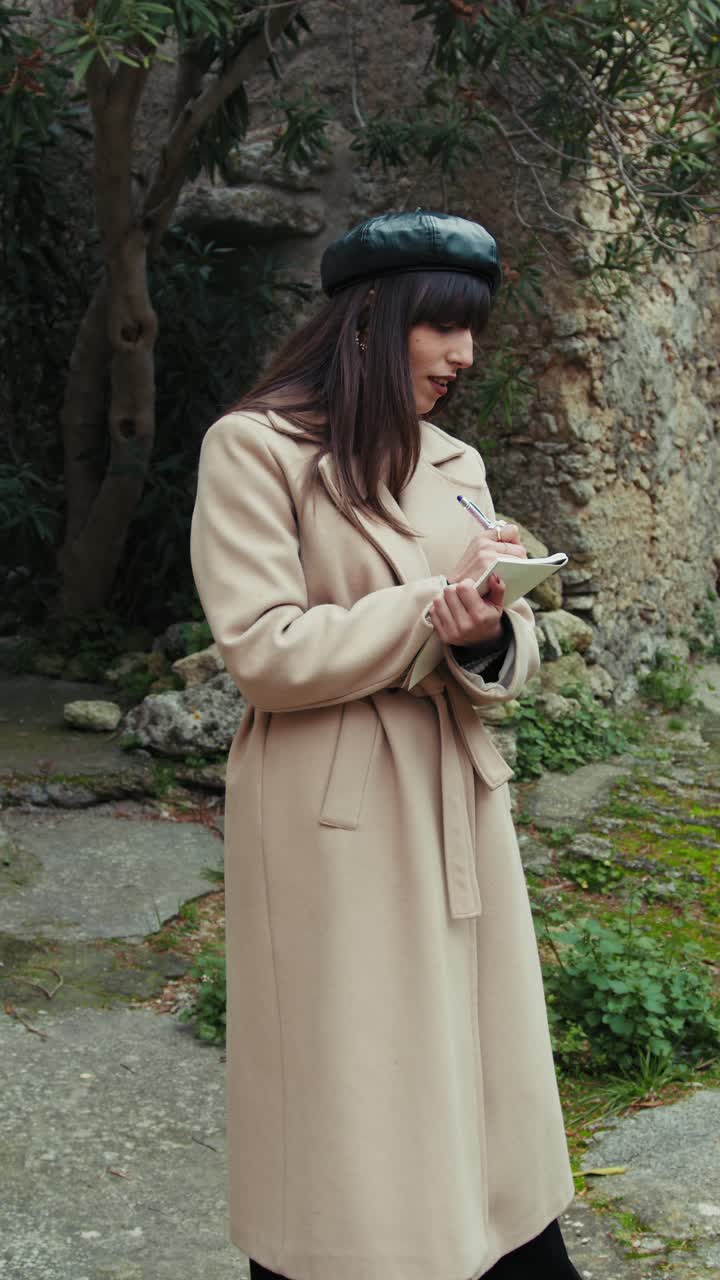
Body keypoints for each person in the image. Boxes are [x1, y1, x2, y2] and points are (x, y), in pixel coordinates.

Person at [190, 210, 581, 1280]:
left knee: (481, 1079)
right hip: (338, 817)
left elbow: (508, 640)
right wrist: (428, 611)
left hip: (458, 794)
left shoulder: (459, 459)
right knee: (355, 1093)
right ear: (374, 318)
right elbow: (261, 648)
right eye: (444, 328)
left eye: (475, 331)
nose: (465, 357)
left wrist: (496, 628)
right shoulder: (255, 448)